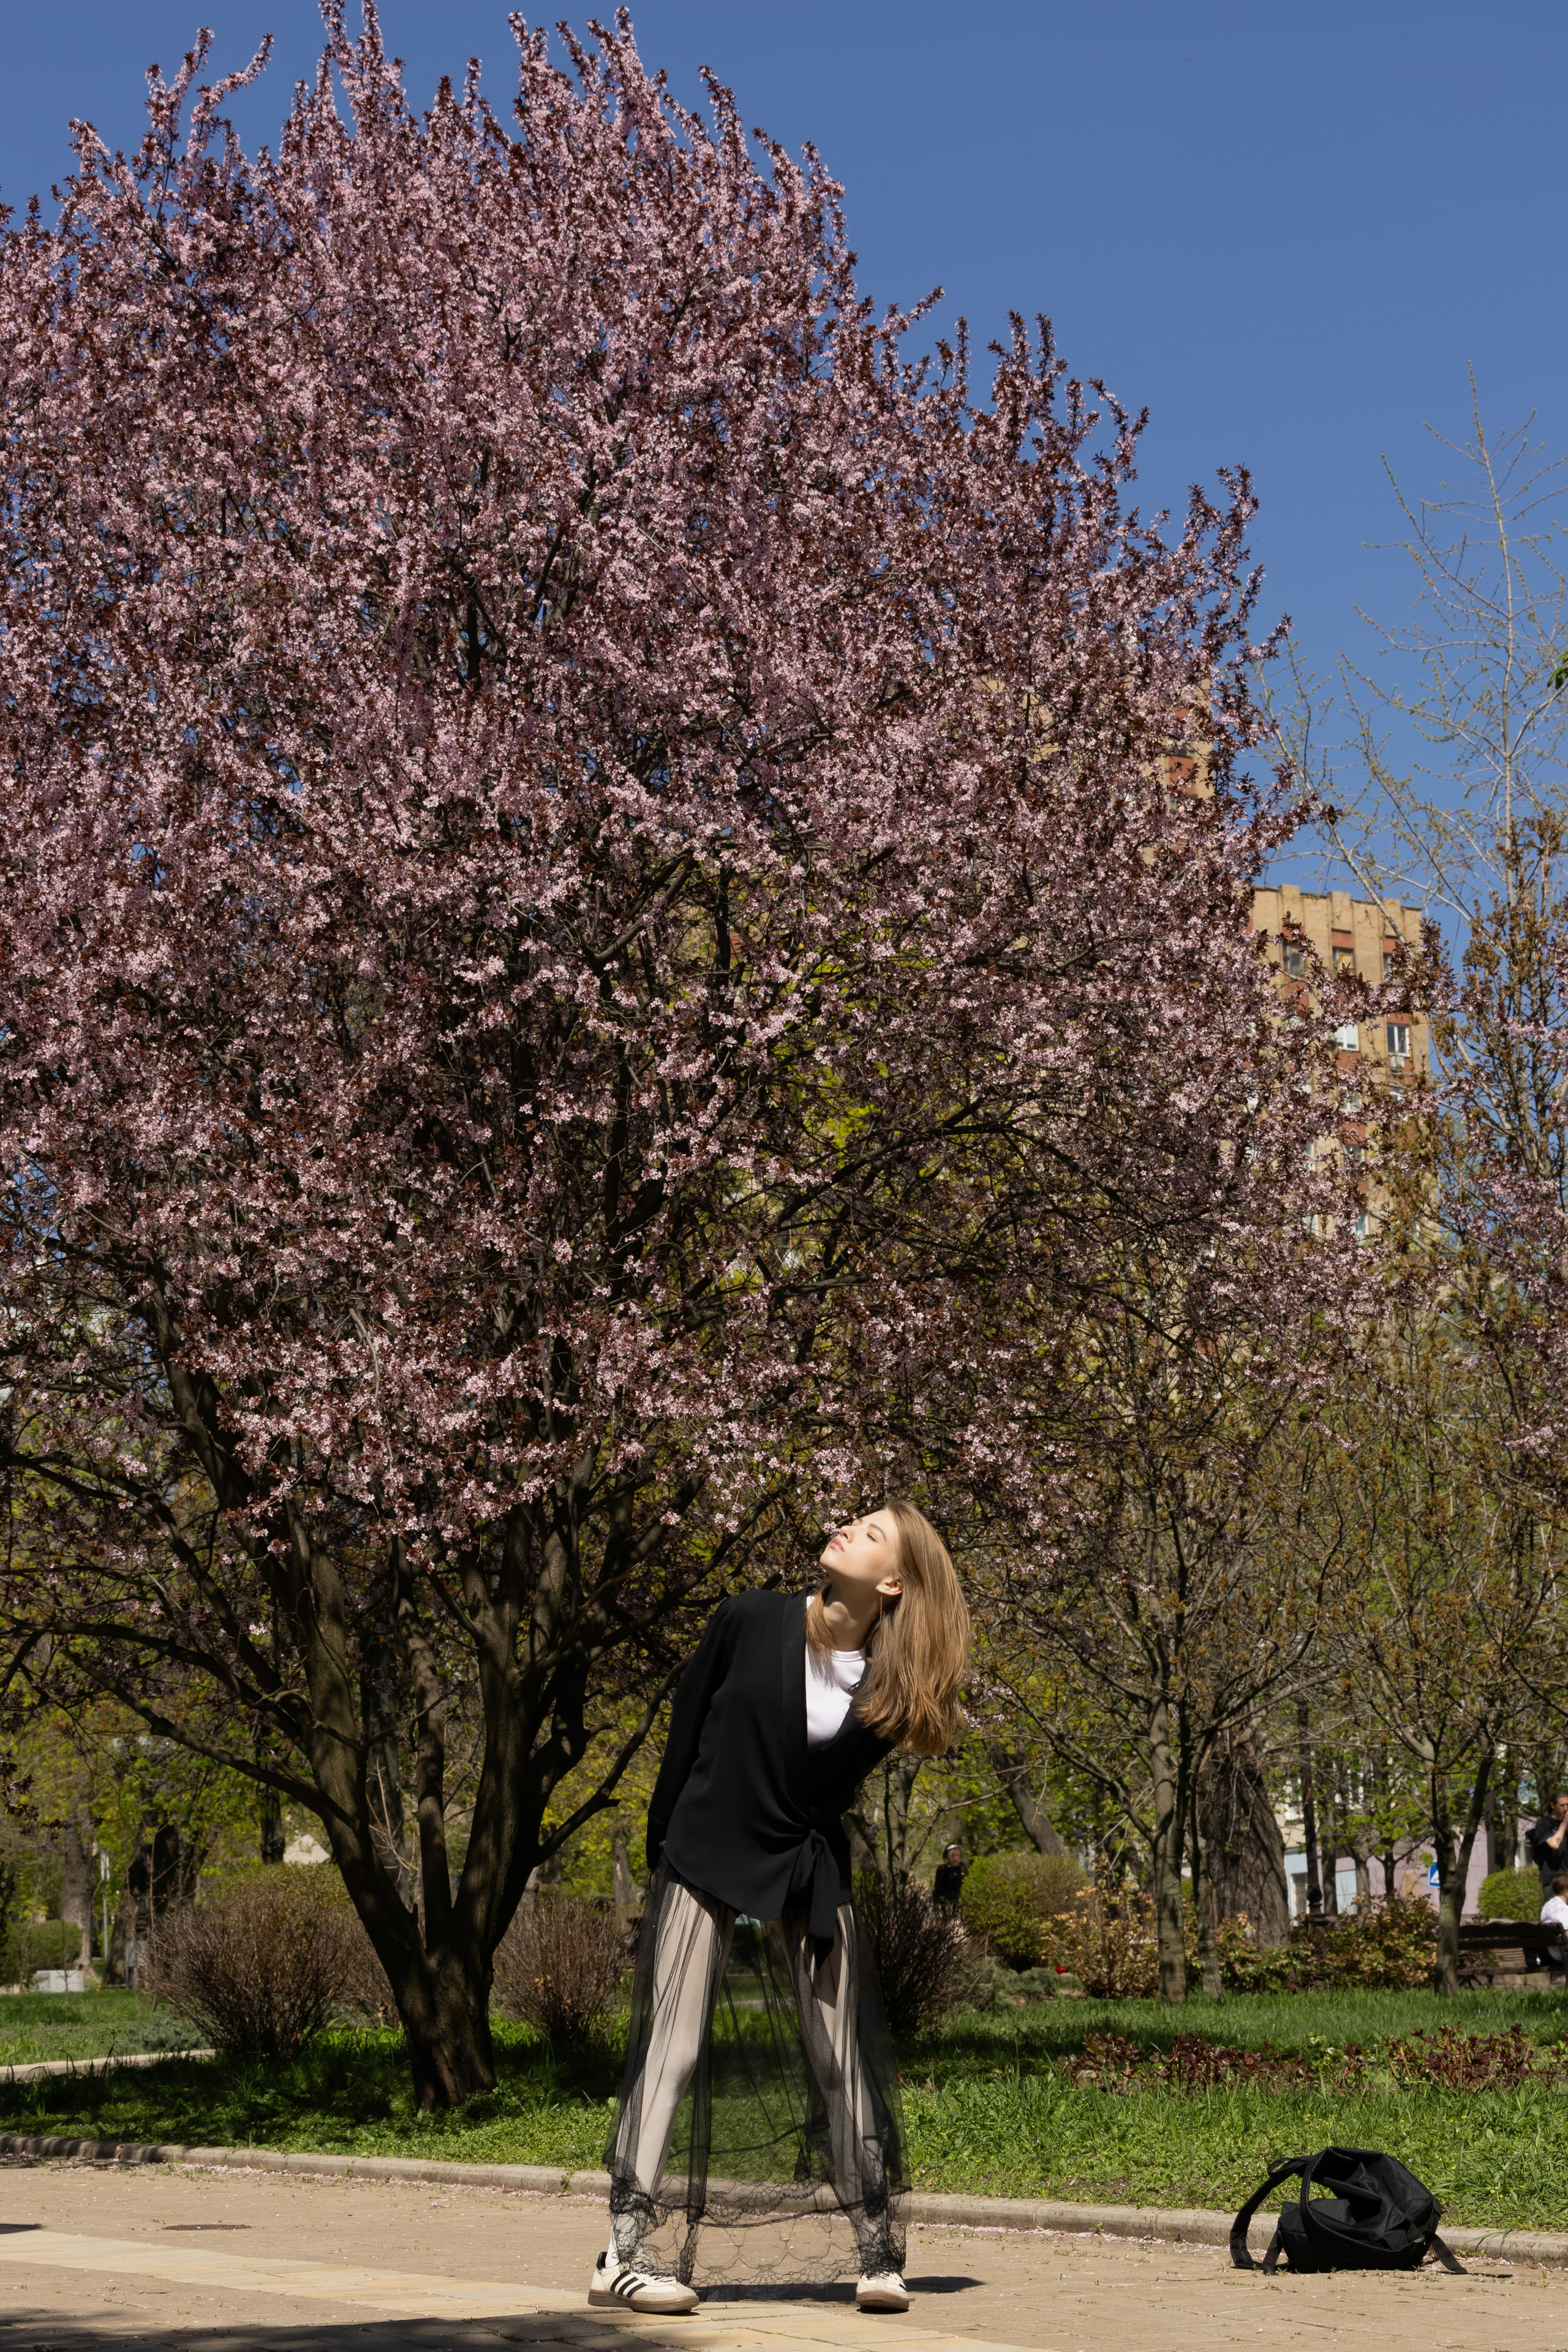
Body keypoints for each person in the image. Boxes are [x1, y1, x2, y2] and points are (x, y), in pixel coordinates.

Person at [592, 1501, 969, 2319]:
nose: (847, 1530)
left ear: (894, 1582)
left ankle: (877, 2250)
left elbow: (837, 1780)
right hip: (705, 1845)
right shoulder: (747, 1619)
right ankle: (621, 2248)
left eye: (871, 1535)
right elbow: (684, 1738)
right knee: (677, 2044)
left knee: (841, 2059)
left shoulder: (889, 1684)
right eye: (855, 1521)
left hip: (805, 1860)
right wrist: (665, 1861)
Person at [1529, 1792, 1568, 1894]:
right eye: (1562, 1805)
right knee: (1556, 1910)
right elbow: (1554, 1844)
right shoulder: (1544, 1824)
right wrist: (1564, 1823)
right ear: (1553, 1805)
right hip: (1553, 1880)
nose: (1566, 1808)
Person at [1543, 1872, 1568, 1986]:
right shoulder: (1562, 1909)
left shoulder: (1547, 1906)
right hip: (1561, 1953)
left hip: (1552, 1952)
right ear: (1564, 1889)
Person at [932, 1843, 967, 1911]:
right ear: (947, 1856)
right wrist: (936, 1903)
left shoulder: (964, 1867)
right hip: (946, 1905)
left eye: (957, 1855)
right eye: (952, 1856)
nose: (955, 1858)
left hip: (962, 1904)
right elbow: (938, 1888)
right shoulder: (942, 1869)